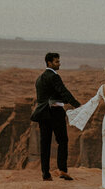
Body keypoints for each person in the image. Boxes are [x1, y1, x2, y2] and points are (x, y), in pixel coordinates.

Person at [30, 51, 80, 181]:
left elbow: (43, 97)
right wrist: (77, 105)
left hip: (43, 113)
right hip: (55, 112)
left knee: (45, 143)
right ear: (49, 62)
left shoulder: (39, 78)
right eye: (57, 61)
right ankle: (62, 170)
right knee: (62, 140)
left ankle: (45, 174)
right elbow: (64, 92)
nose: (59, 63)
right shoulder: (54, 76)